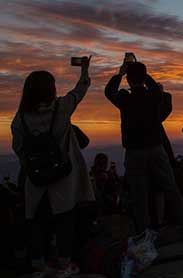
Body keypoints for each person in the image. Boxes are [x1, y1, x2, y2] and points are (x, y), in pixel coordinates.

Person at [11, 58, 94, 276]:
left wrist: (34, 164)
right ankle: (64, 264)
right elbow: (81, 89)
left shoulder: (20, 119)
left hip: (36, 178)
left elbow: (18, 148)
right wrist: (85, 69)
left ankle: (39, 265)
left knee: (36, 221)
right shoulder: (62, 108)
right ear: (51, 90)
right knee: (65, 219)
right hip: (62, 175)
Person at [105, 60, 183, 245]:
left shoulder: (125, 99)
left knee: (139, 195)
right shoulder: (153, 96)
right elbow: (158, 91)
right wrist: (144, 75)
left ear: (128, 79)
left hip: (134, 152)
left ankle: (144, 238)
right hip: (156, 149)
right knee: (171, 189)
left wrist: (120, 73)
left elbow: (109, 92)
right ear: (144, 77)